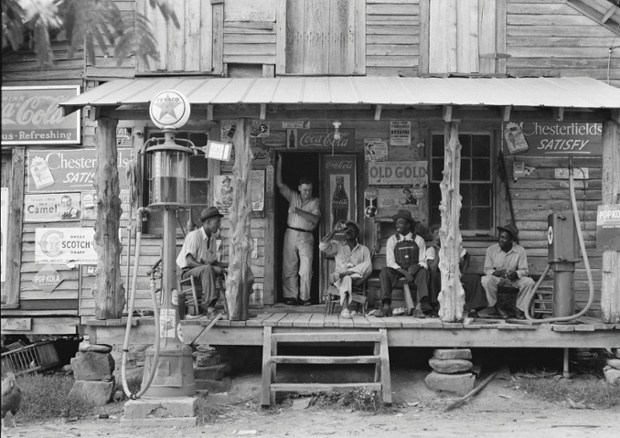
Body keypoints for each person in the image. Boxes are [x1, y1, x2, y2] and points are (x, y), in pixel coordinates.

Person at [276, 154, 321, 306]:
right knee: (289, 267)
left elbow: (315, 219)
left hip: (306, 235)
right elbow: (280, 184)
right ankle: (291, 296)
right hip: (290, 233)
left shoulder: (315, 201)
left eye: (310, 190)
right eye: (305, 190)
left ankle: (305, 297)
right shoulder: (293, 196)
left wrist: (298, 211)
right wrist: (280, 162)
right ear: (299, 188)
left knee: (306, 269)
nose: (307, 193)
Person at [376, 210, 431, 317]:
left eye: (400, 222)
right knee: (384, 272)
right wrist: (404, 272)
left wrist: (418, 265)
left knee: (424, 272)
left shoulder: (419, 240)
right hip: (398, 271)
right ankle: (386, 307)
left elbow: (423, 260)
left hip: (413, 270)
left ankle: (418, 308)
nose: (397, 225)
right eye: (396, 223)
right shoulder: (392, 240)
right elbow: (390, 262)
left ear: (408, 225)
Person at [176, 206, 228, 319]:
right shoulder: (194, 236)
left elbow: (212, 262)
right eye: (217, 222)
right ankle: (210, 309)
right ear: (208, 222)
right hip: (187, 272)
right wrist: (211, 267)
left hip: (203, 270)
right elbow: (189, 261)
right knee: (208, 268)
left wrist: (230, 265)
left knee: (231, 268)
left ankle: (232, 307)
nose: (219, 225)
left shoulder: (213, 238)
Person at [426, 224, 488, 318]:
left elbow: (466, 256)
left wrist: (463, 272)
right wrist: (440, 251)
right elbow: (433, 268)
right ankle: (435, 309)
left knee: (474, 278)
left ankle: (473, 309)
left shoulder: (454, 247)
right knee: (433, 275)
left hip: (455, 276)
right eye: (433, 234)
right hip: (441, 277)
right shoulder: (431, 250)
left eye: (437, 233)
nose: (434, 236)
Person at [480, 223, 535, 319]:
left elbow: (524, 270)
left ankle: (519, 309)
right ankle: (496, 307)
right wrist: (496, 272)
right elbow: (487, 270)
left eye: (504, 238)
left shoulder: (520, 250)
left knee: (529, 282)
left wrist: (516, 273)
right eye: (500, 237)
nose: (500, 240)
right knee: (486, 280)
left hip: (513, 280)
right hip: (498, 279)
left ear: (511, 240)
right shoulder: (491, 250)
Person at [319, 220, 372, 318]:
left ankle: (346, 273)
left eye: (352, 230)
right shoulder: (338, 245)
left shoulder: (364, 249)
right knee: (347, 278)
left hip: (356, 278)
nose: (348, 231)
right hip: (339, 278)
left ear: (357, 234)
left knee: (367, 265)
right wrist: (334, 231)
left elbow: (368, 269)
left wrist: (353, 276)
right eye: (346, 229)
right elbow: (322, 246)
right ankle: (345, 309)